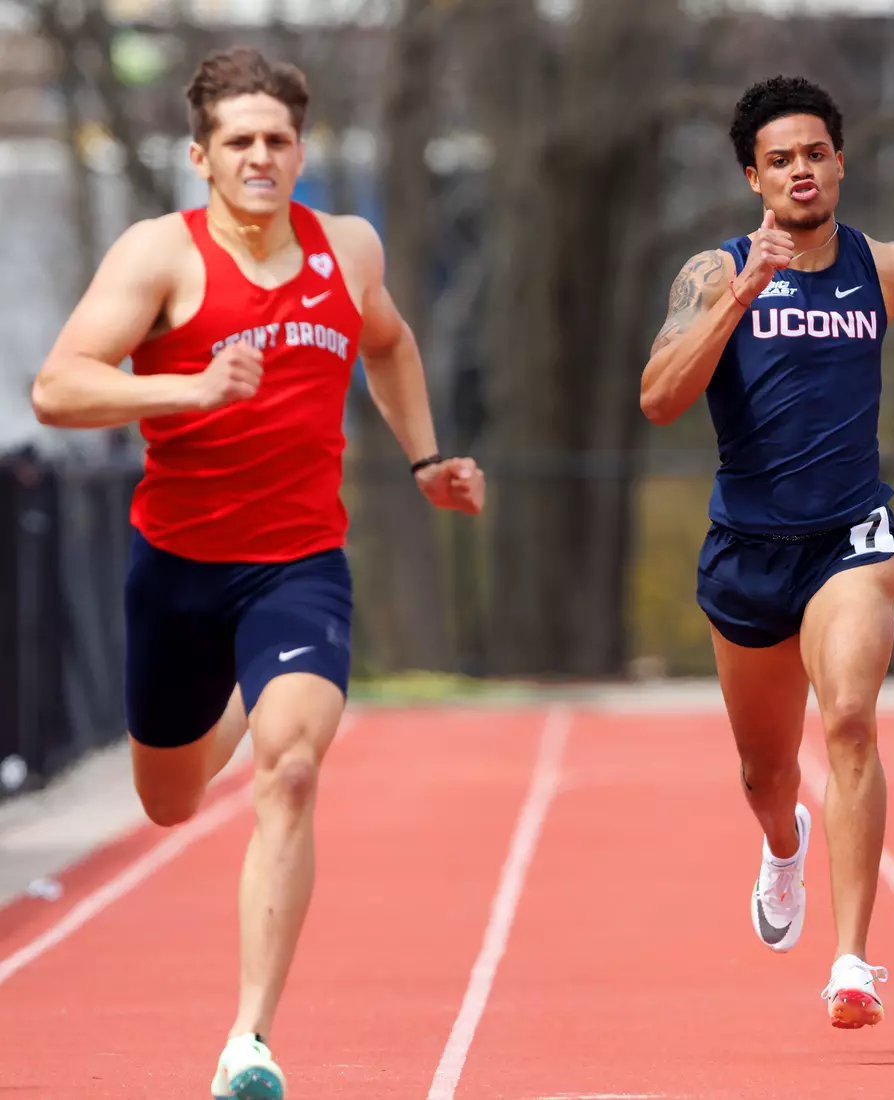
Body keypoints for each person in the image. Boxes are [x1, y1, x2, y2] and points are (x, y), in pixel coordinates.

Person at [30, 46, 484, 1098]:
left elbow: (393, 346)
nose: (261, 156)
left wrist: (424, 459)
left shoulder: (349, 249)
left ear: (301, 147)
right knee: (171, 800)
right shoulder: (161, 258)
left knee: (289, 771)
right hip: (178, 567)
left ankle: (250, 1040)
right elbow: (58, 388)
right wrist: (190, 390)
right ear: (201, 155)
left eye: (278, 138)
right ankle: (241, 686)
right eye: (239, 140)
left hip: (299, 564)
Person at [639, 75, 894, 1029]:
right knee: (766, 773)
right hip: (747, 550)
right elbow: (659, 398)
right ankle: (783, 845)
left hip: (851, 538)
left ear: (841, 161)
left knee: (852, 724)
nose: (801, 171)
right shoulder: (712, 273)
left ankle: (853, 961)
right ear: (754, 176)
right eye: (780, 159)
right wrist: (740, 296)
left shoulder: (887, 268)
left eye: (815, 154)